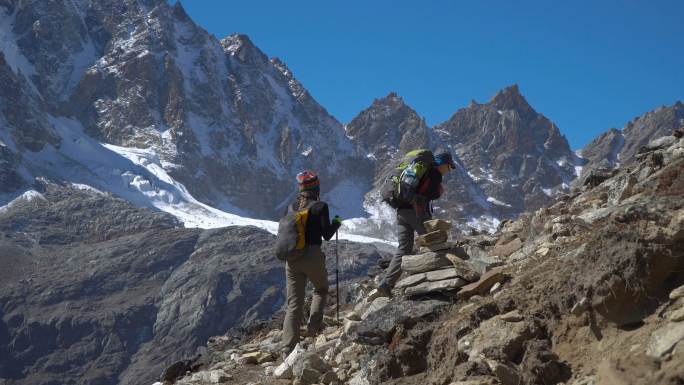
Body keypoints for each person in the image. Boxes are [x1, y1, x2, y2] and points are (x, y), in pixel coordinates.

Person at [376, 151, 456, 297]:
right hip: (416, 211)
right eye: (449, 167)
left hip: (401, 212)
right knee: (432, 242)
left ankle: (386, 284)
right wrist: (439, 191)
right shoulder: (434, 172)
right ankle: (435, 282)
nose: (448, 171)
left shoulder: (416, 168)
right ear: (443, 164)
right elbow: (431, 193)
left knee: (404, 248)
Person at [281, 171, 342, 353]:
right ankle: (312, 330)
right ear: (316, 188)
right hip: (312, 256)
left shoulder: (290, 207)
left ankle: (288, 347)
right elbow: (327, 235)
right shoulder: (320, 206)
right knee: (321, 289)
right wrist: (337, 222)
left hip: (292, 259)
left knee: (294, 304)